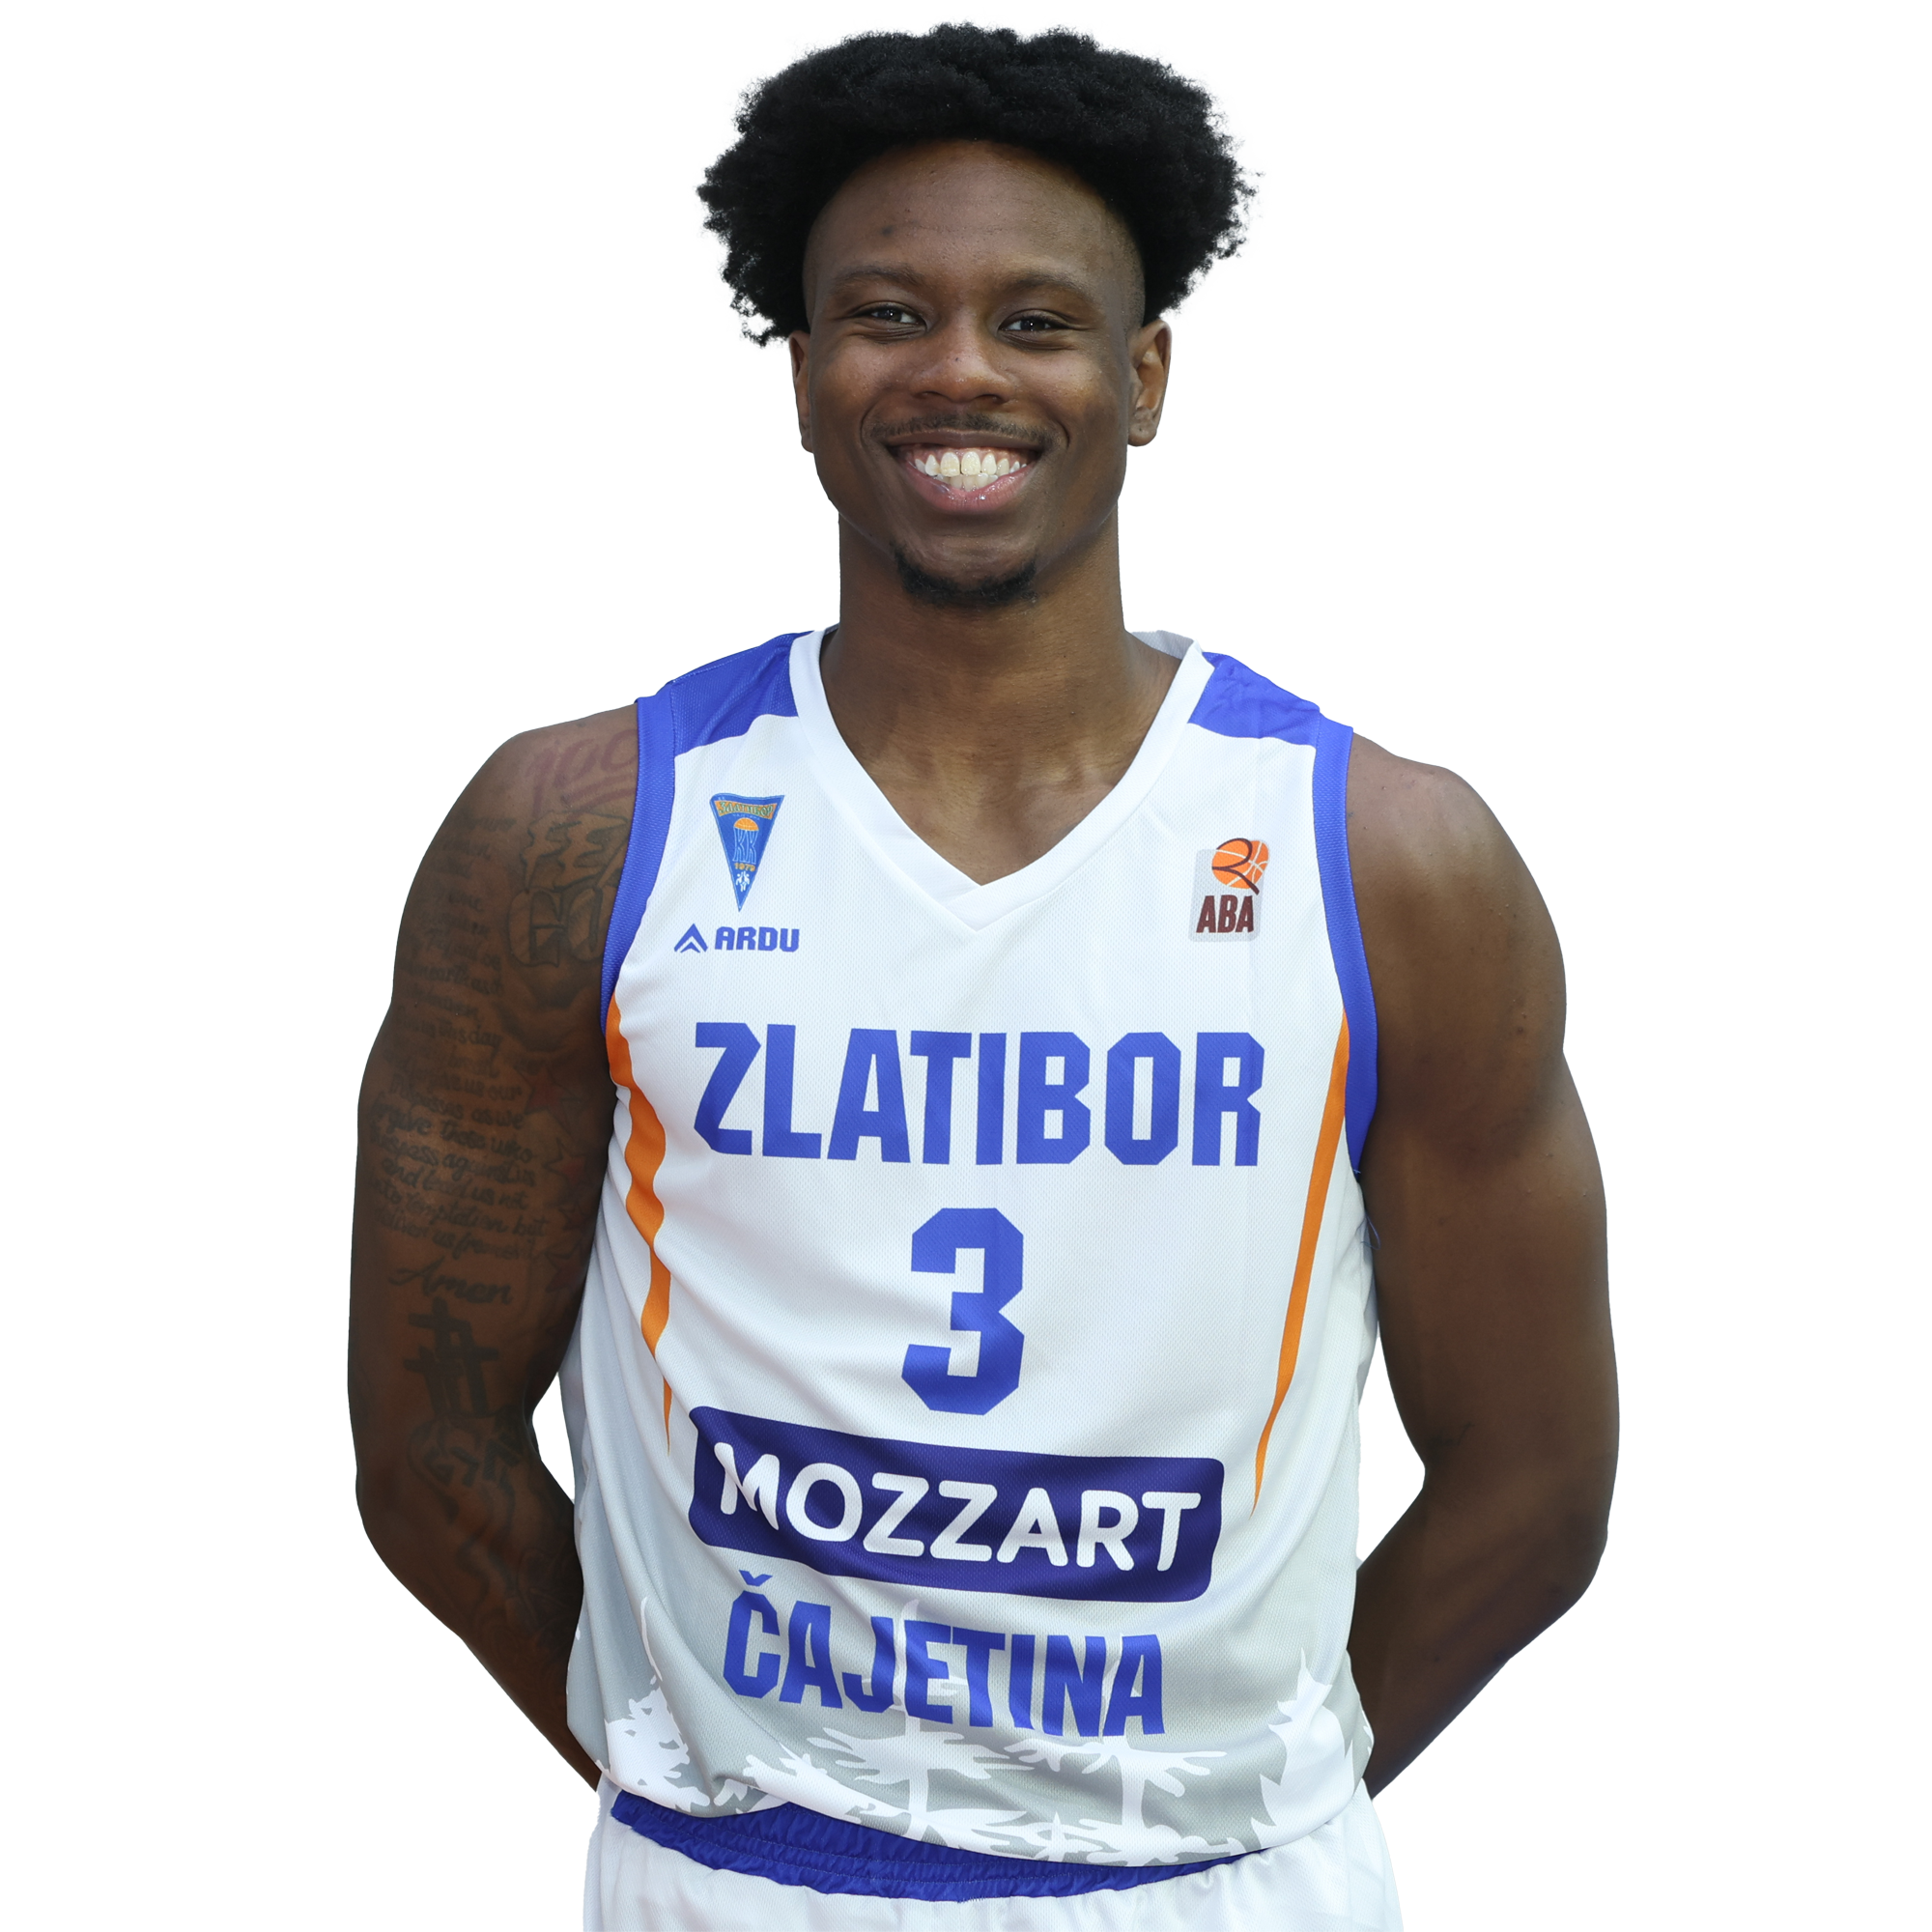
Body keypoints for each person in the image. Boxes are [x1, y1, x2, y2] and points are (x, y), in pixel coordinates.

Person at [350, 21, 1616, 1931]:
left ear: (1144, 375)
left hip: (1214, 1886)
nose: (959, 371)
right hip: (733, 1878)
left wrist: (1243, 1805)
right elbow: (426, 1444)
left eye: (1036, 321)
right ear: (800, 374)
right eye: (885, 314)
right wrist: (690, 1769)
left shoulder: (1383, 858)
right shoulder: (578, 834)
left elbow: (1537, 1481)